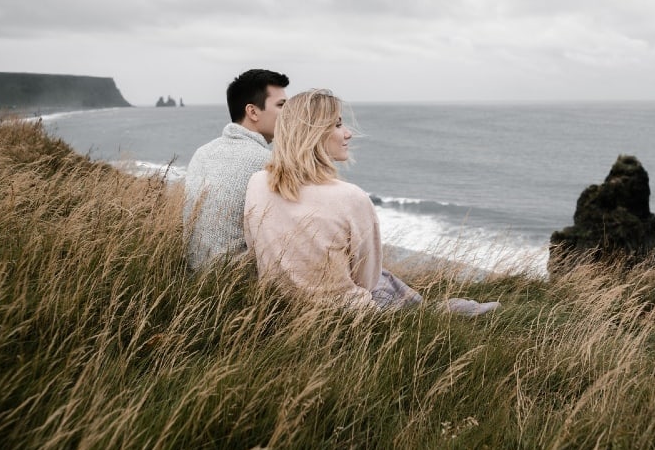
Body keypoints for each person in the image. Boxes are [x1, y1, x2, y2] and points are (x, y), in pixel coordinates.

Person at [244, 89, 499, 315]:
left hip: (281, 307)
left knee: (390, 280)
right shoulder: (350, 196)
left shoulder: (257, 183)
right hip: (351, 316)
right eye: (337, 125)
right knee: (390, 286)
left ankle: (434, 308)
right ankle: (442, 312)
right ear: (313, 133)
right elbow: (367, 279)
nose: (347, 133)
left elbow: (256, 249)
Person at [183, 68, 289, 271]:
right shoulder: (268, 161)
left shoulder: (202, 153)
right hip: (240, 285)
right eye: (281, 105)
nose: (289, 114)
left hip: (194, 276)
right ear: (252, 111)